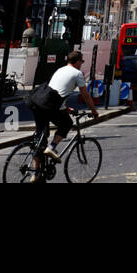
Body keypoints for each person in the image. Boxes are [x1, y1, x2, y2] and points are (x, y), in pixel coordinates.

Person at [27, 51, 98, 180]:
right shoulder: (77, 74)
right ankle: (52, 147)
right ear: (77, 62)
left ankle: (35, 173)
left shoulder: (60, 69)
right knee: (67, 124)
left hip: (39, 103)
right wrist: (93, 110)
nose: (81, 64)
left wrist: (65, 108)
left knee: (40, 137)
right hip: (50, 106)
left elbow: (57, 91)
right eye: (81, 62)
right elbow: (85, 95)